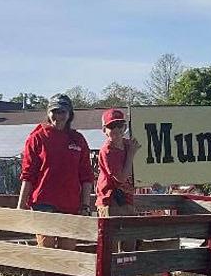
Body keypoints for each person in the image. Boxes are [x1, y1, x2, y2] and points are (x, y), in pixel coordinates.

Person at [16, 94, 95, 249]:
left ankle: (63, 275)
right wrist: (20, 206)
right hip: (43, 202)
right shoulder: (37, 137)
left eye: (62, 112)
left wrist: (85, 205)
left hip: (70, 203)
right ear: (48, 113)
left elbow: (86, 176)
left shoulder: (78, 139)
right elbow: (28, 174)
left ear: (69, 114)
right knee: (47, 250)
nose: (58, 116)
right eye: (55, 111)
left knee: (68, 252)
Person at [95, 108, 138, 219]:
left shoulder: (129, 144)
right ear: (104, 130)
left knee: (132, 235)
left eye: (120, 125)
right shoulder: (107, 151)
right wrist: (131, 154)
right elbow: (121, 178)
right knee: (113, 235)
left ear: (125, 127)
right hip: (111, 201)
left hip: (127, 199)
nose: (117, 129)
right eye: (112, 126)